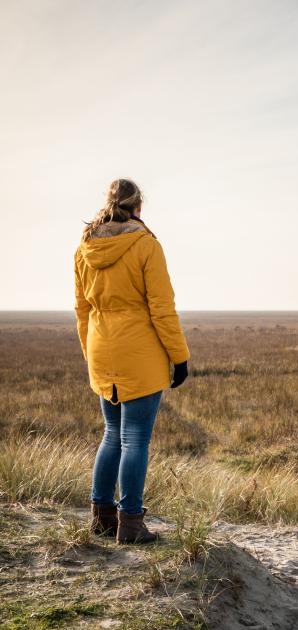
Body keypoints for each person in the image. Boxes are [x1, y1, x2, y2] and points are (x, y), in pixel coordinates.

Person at [74, 179, 190, 544]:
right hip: (140, 354)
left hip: (101, 348)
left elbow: (81, 309)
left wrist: (90, 352)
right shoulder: (145, 245)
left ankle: (101, 517)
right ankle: (132, 523)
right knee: (135, 439)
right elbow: (162, 308)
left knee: (112, 435)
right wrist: (180, 356)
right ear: (138, 207)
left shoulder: (84, 248)